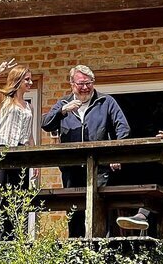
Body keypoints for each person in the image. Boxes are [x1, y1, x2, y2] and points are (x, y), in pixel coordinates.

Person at [42, 65, 130, 237]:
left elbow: (123, 128)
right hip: (71, 168)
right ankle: (76, 252)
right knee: (74, 212)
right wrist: (62, 112)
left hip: (100, 167)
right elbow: (46, 124)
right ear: (71, 83)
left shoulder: (106, 102)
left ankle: (100, 252)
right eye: (81, 83)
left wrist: (116, 153)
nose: (85, 87)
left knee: (99, 210)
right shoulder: (63, 103)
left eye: (89, 83)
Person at [0, 58, 35, 188]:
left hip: (21, 150)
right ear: (17, 80)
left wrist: (34, 161)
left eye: (30, 79)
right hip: (0, 147)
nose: (30, 82)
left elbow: (29, 135)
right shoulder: (3, 98)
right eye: (27, 79)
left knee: (17, 190)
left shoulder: (29, 107)